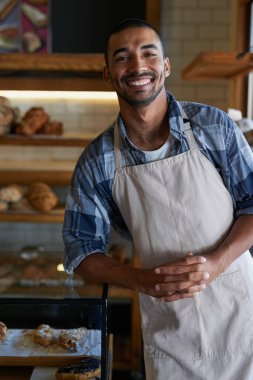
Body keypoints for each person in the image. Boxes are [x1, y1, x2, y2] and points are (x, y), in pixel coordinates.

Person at [62, 18, 253, 380]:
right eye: (122, 58)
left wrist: (215, 262)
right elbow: (80, 250)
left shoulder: (213, 126)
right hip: (169, 331)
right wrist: (140, 279)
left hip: (241, 318)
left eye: (148, 54)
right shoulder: (97, 160)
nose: (137, 66)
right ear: (107, 75)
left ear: (165, 66)